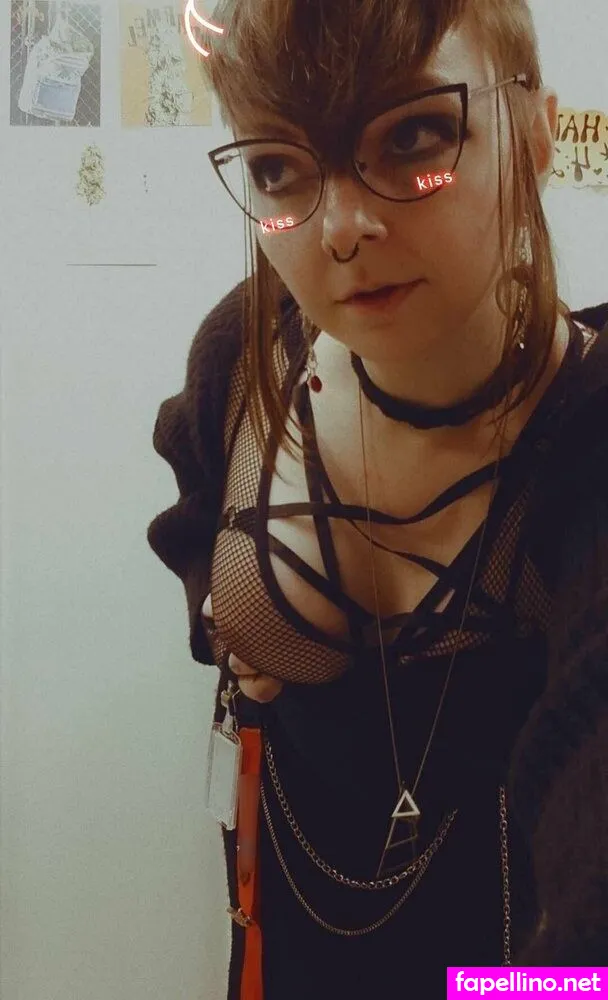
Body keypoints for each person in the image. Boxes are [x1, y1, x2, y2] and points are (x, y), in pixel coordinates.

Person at [147, 1, 608, 996]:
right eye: (279, 168)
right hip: (296, 951)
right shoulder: (246, 361)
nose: (342, 228)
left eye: (412, 137)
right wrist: (227, 618)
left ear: (534, 138)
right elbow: (191, 522)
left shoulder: (589, 428)